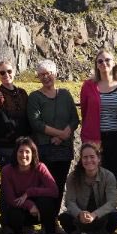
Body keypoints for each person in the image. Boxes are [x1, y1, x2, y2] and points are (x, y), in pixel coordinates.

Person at [27, 60, 79, 208]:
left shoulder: (65, 94)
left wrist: (64, 134)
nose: (45, 77)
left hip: (64, 149)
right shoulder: (34, 97)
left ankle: (54, 219)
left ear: (55, 74)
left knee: (59, 185)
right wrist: (60, 134)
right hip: (44, 148)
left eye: (48, 73)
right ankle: (44, 220)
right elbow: (36, 123)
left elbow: (74, 119)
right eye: (41, 74)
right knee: (44, 185)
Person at [79, 49, 117, 190]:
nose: (104, 63)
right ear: (96, 65)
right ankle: (95, 210)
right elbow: (84, 112)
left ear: (114, 63)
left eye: (107, 60)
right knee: (94, 176)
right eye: (100, 61)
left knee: (116, 175)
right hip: (95, 138)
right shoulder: (88, 86)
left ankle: (111, 208)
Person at [58, 143, 117, 234]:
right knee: (64, 217)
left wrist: (94, 215)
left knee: (116, 217)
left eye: (92, 157)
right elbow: (69, 202)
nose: (89, 160)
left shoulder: (108, 176)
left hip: (101, 218)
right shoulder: (73, 177)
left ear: (98, 159)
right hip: (80, 219)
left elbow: (112, 203)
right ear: (81, 160)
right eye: (85, 157)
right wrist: (79, 214)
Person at [0, 137, 59, 234]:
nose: (24, 155)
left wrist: (30, 192)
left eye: (27, 152)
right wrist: (29, 204)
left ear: (33, 154)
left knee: (47, 202)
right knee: (12, 212)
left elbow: (54, 191)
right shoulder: (7, 170)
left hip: (39, 211)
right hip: (20, 207)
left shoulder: (40, 167)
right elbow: (10, 199)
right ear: (15, 153)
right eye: (20, 151)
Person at [0, 59, 30, 167]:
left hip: (24, 145)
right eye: (2, 72)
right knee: (8, 178)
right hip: (6, 146)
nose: (6, 74)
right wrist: (15, 136)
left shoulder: (23, 93)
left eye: (9, 71)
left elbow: (29, 117)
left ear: (14, 72)